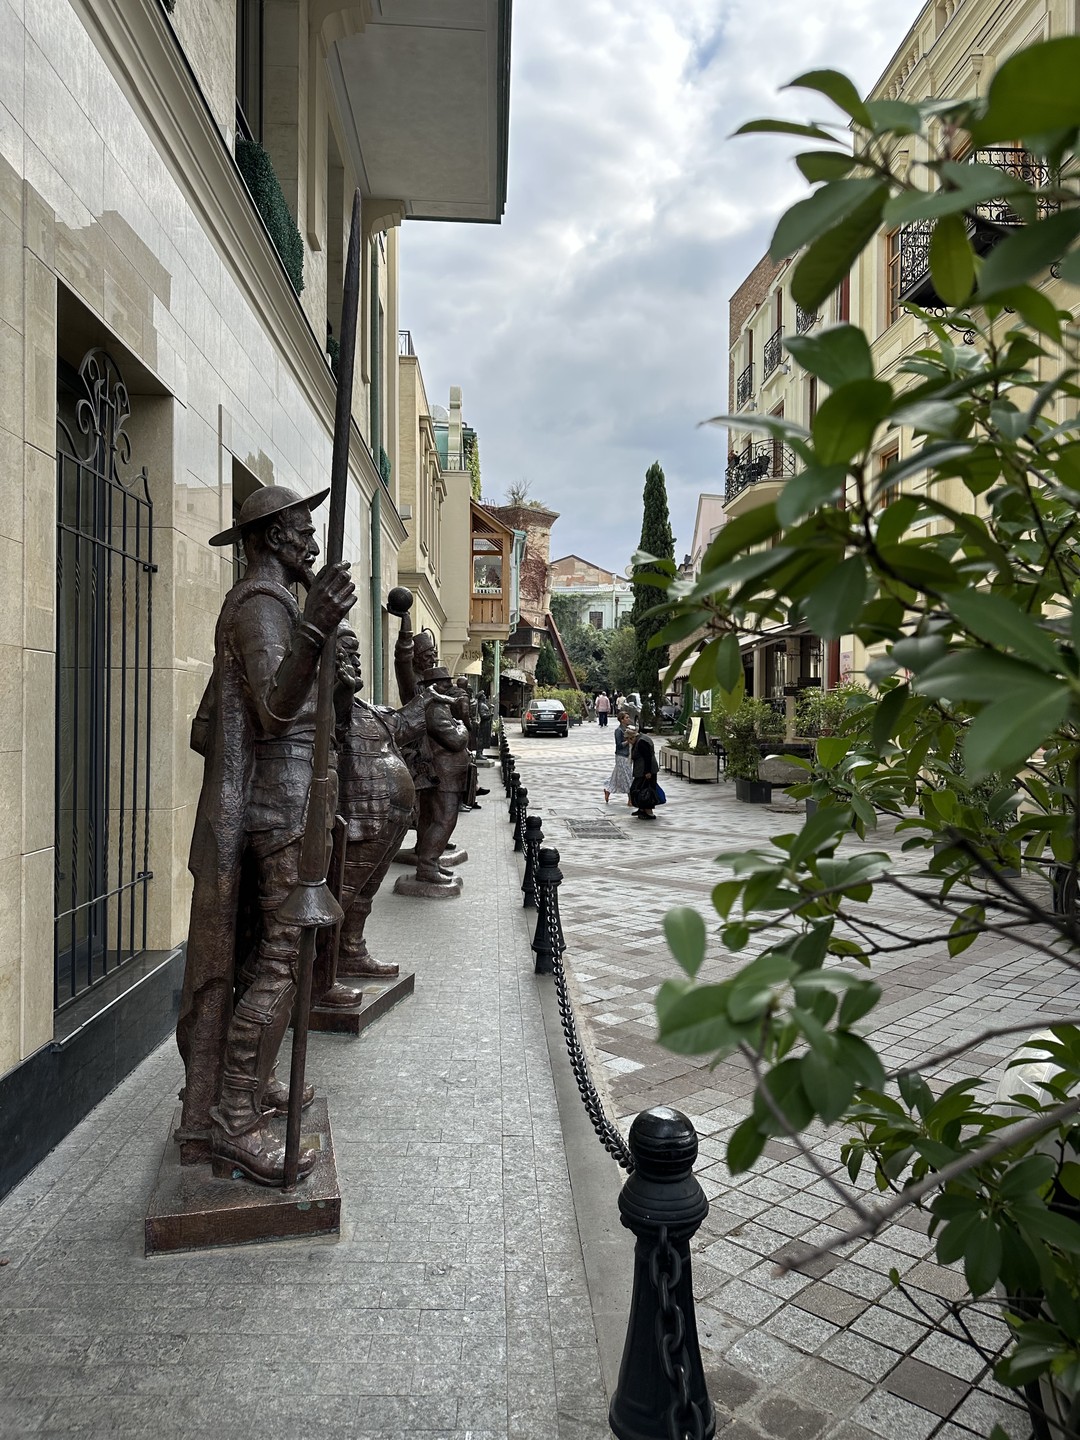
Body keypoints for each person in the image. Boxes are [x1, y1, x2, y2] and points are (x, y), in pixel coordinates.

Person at [176, 483, 356, 1185]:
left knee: (275, 955)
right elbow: (277, 713)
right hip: (278, 811)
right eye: (302, 530)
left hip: (294, 805)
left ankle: (250, 1083)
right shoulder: (260, 604)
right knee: (283, 959)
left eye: (312, 528)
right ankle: (234, 1120)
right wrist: (314, 629)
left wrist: (333, 677)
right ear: (272, 537)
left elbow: (301, 706)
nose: (313, 541)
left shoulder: (275, 603)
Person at [627, 726, 659, 820]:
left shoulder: (641, 742)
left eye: (629, 740)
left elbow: (647, 757)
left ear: (632, 737)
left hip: (645, 771)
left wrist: (647, 772)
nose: (629, 742)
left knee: (646, 791)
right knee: (639, 789)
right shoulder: (640, 739)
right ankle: (642, 809)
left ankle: (649, 812)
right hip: (642, 770)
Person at [604, 711, 634, 805]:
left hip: (628, 755)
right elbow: (618, 745)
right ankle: (630, 798)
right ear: (621, 720)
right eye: (626, 718)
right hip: (621, 756)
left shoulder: (628, 729)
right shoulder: (619, 730)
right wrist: (628, 741)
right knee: (627, 776)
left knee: (616, 775)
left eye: (628, 717)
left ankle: (608, 790)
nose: (628, 719)